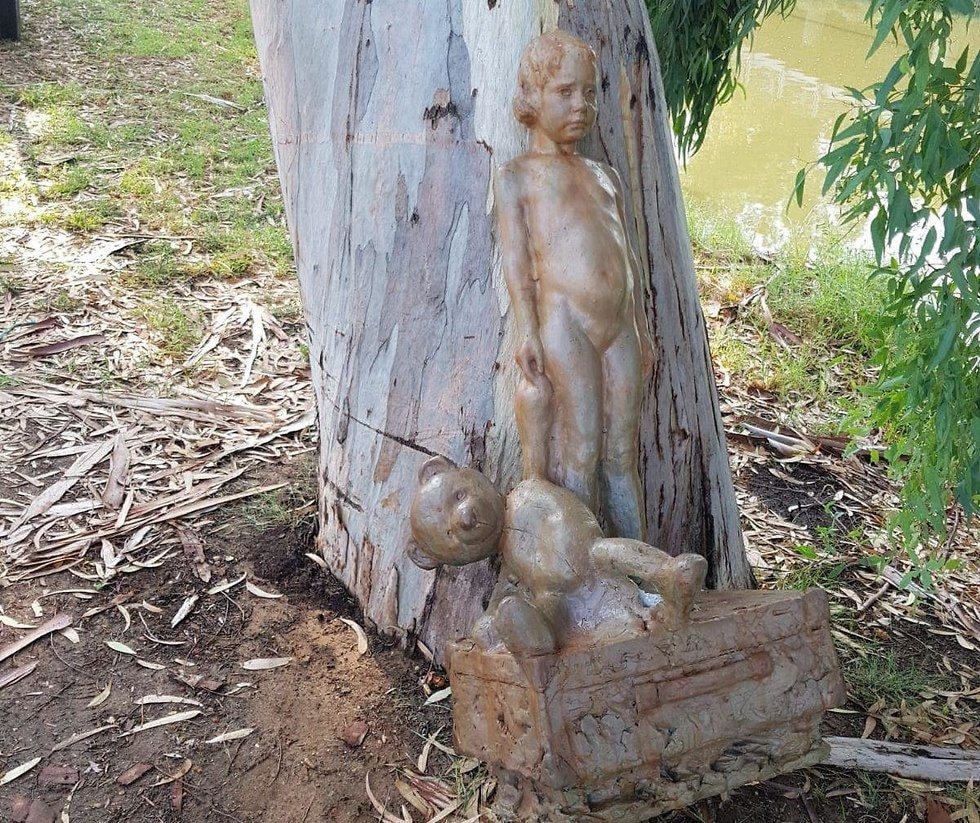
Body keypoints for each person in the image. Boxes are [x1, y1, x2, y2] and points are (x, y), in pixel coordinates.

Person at [494, 30, 655, 540]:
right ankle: (583, 570)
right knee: (579, 454)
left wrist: (641, 327)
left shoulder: (605, 176)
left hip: (619, 327)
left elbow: (629, 259)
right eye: (564, 92)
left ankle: (640, 567)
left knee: (622, 456)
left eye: (588, 93)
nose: (580, 105)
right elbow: (517, 262)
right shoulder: (517, 176)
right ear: (531, 96)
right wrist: (527, 329)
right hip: (566, 325)